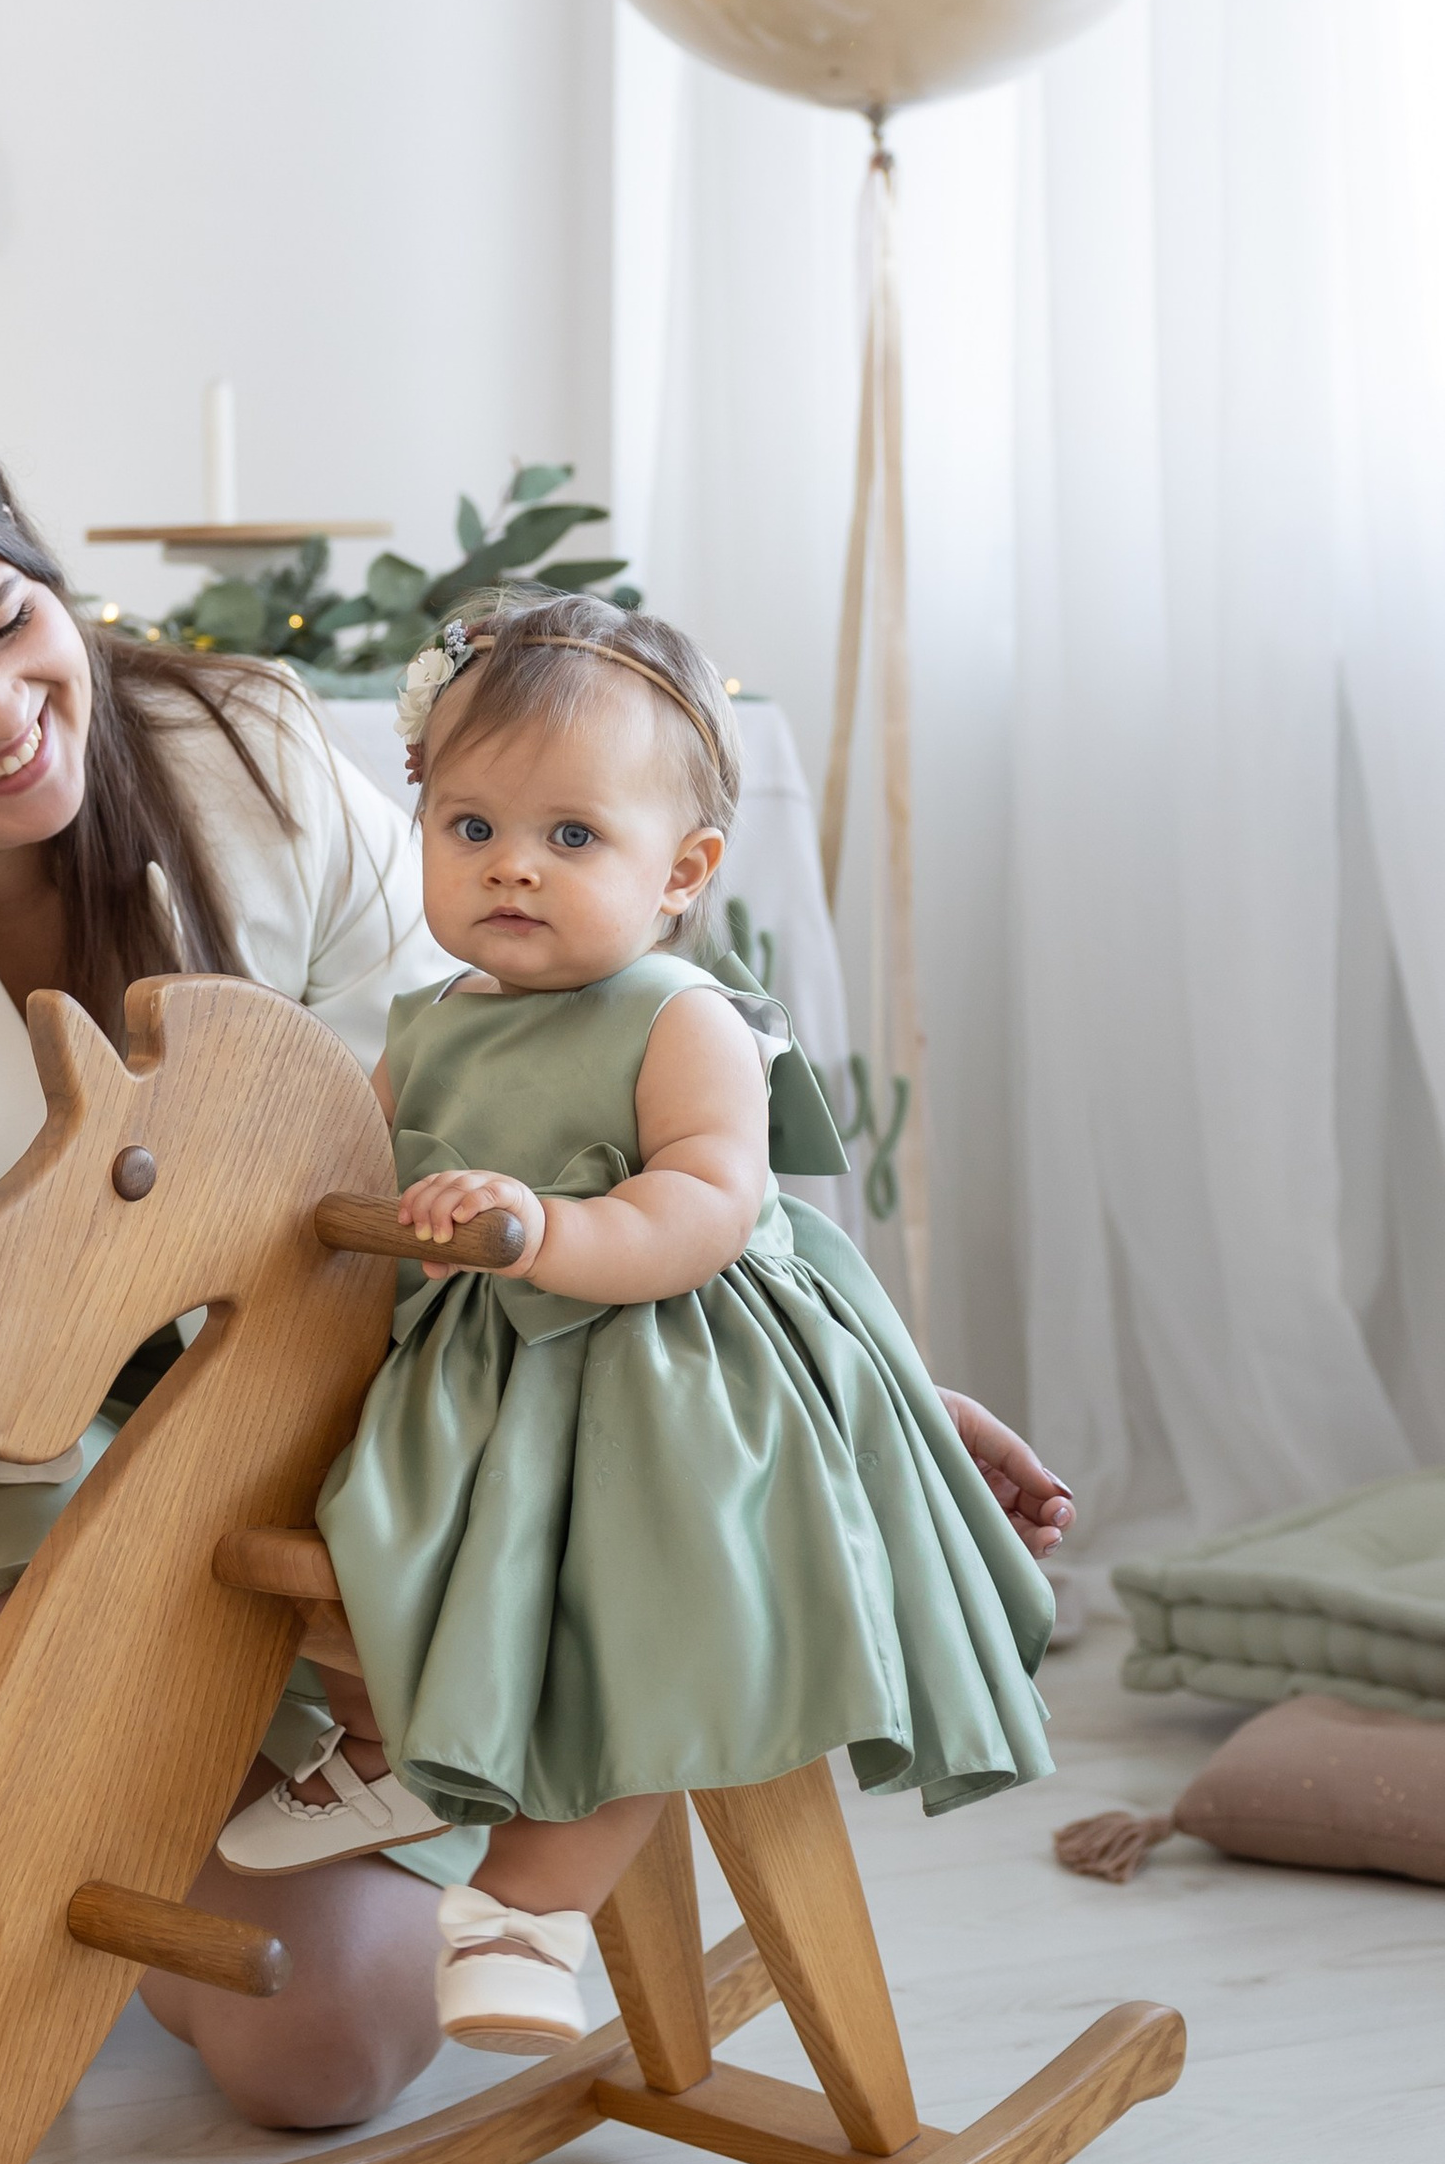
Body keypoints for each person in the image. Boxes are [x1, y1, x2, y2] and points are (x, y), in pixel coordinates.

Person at [0, 388, 1073, 2128]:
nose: (3, 715)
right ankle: (99, 1831)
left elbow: (536, 1126)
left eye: (10, 624)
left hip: (345, 1406)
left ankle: (297, 1821)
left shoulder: (254, 753)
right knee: (228, 1927)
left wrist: (857, 1397)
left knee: (339, 2041)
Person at [221, 593, 1061, 2060]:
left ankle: (527, 1908)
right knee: (363, 1515)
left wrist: (546, 1228)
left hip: (670, 1368)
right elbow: (359, 1190)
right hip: (487, 1369)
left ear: (682, 872)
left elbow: (709, 1206)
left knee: (640, 1584)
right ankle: (384, 1740)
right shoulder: (425, 1024)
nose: (512, 869)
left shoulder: (682, 1017)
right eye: (470, 829)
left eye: (572, 837)